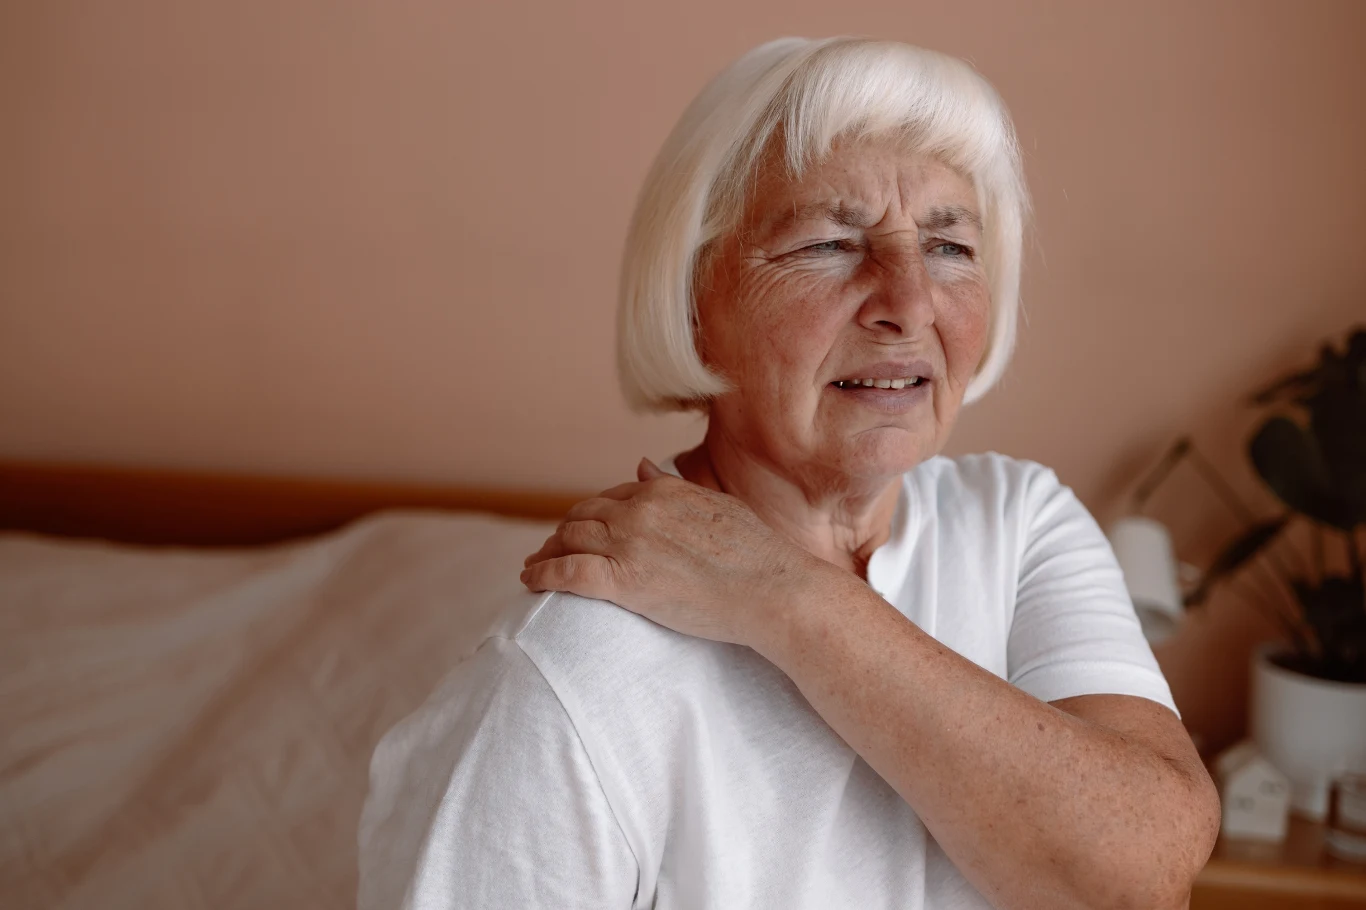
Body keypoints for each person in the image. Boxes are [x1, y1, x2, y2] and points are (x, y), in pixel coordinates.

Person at [358, 36, 1219, 910]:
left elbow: (1142, 872)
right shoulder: (566, 677)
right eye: (829, 244)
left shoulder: (1017, 521)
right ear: (695, 307)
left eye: (950, 247)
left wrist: (783, 593)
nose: (910, 304)